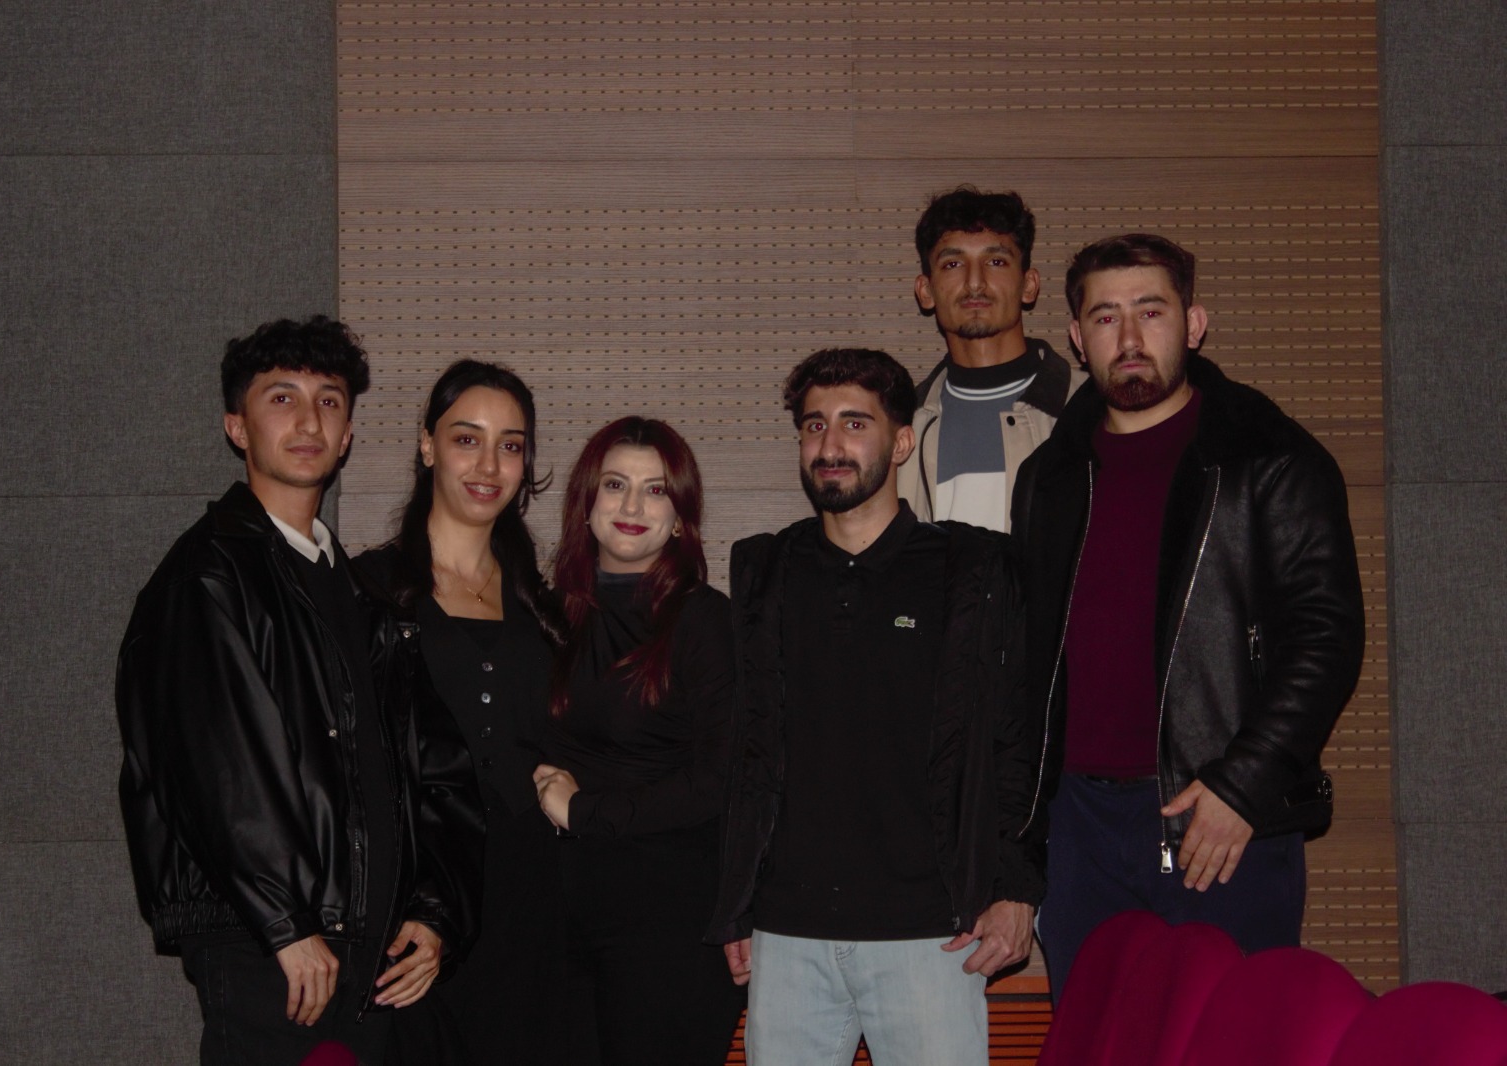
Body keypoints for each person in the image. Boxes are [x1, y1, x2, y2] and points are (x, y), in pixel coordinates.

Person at [116, 316, 481, 1065]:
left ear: (347, 437)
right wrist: (285, 923)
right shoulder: (207, 576)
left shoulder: (368, 599)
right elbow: (215, 769)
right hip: (271, 947)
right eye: (282, 398)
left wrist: (434, 913)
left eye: (330, 401)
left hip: (366, 950)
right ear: (236, 427)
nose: (309, 421)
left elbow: (439, 770)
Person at [1011, 233, 1365, 1003]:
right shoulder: (1049, 478)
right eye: (1105, 318)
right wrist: (1035, 829)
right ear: (1077, 338)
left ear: (1194, 324)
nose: (1129, 338)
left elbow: (1326, 636)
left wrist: (1243, 786)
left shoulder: (1269, 457)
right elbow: (1034, 663)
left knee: (1225, 1037)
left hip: (1218, 816)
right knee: (1098, 1044)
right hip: (1081, 828)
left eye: (1151, 312)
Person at [707, 348, 1045, 1065]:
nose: (830, 445)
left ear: (901, 442)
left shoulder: (974, 570)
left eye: (854, 424)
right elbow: (747, 751)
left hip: (933, 932)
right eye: (814, 425)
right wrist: (737, 901)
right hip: (786, 934)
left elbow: (1016, 738)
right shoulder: (764, 572)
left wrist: (1015, 885)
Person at [355, 359, 569, 1064]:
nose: (488, 465)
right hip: (417, 906)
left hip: (534, 902)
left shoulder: (548, 607)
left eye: (511, 445)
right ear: (427, 445)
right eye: (466, 438)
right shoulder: (369, 592)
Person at [532, 418, 746, 1066]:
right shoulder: (541, 614)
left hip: (668, 921)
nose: (632, 505)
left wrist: (584, 811)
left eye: (656, 490)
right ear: (586, 502)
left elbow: (718, 780)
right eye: (615, 484)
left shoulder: (707, 620)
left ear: (680, 517)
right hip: (551, 917)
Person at [902, 186, 1087, 531]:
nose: (975, 282)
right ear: (926, 291)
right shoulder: (902, 429)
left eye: (996, 262)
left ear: (1029, 285)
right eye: (953, 264)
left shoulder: (1090, 409)